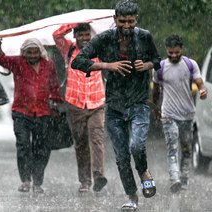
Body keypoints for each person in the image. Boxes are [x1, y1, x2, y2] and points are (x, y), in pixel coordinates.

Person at [71, 0, 160, 210]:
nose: (126, 25)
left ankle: (144, 171)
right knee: (121, 157)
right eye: (122, 21)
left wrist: (145, 65)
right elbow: (77, 61)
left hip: (139, 102)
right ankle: (132, 197)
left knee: (136, 146)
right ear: (115, 19)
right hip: (114, 105)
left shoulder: (145, 36)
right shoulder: (103, 39)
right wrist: (107, 65)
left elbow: (157, 60)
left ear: (136, 19)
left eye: (130, 21)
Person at [0, 38, 63, 194]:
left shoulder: (49, 64)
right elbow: (1, 59)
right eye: (29, 52)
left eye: (35, 52)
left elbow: (54, 85)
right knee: (23, 146)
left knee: (43, 148)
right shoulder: (18, 63)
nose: (32, 55)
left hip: (44, 112)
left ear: (40, 52)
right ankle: (25, 180)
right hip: (21, 112)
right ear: (24, 53)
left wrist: (55, 105)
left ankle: (38, 181)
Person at [53, 23, 107, 192]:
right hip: (75, 104)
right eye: (81, 35)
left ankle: (98, 176)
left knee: (97, 139)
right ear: (75, 36)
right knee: (81, 143)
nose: (85, 38)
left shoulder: (99, 49)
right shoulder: (68, 49)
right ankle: (84, 181)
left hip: (97, 103)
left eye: (87, 35)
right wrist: (73, 23)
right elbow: (57, 35)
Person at [152, 34, 207, 193]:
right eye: (171, 53)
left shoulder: (191, 65)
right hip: (168, 114)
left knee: (186, 148)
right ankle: (174, 178)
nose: (174, 56)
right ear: (166, 50)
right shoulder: (160, 67)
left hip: (187, 114)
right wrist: (155, 107)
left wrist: (203, 91)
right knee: (172, 147)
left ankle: (184, 177)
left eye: (177, 52)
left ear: (182, 49)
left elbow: (200, 84)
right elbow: (155, 90)